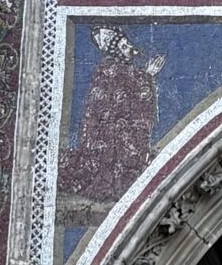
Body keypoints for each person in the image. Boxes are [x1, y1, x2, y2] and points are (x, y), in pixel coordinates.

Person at [57, 27, 164, 201]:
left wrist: (147, 76)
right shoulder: (110, 70)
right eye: (123, 47)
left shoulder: (126, 70)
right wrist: (147, 75)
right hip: (107, 133)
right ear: (116, 52)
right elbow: (122, 99)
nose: (130, 48)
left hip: (118, 127)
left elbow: (132, 96)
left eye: (128, 44)